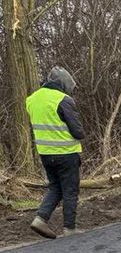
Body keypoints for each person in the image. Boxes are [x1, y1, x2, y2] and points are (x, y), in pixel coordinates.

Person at [26, 66, 85, 239]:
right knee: (70, 190)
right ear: (63, 83)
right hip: (66, 152)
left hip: (44, 152)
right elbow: (77, 131)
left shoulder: (31, 99)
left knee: (55, 186)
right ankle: (69, 228)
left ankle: (40, 219)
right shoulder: (64, 99)